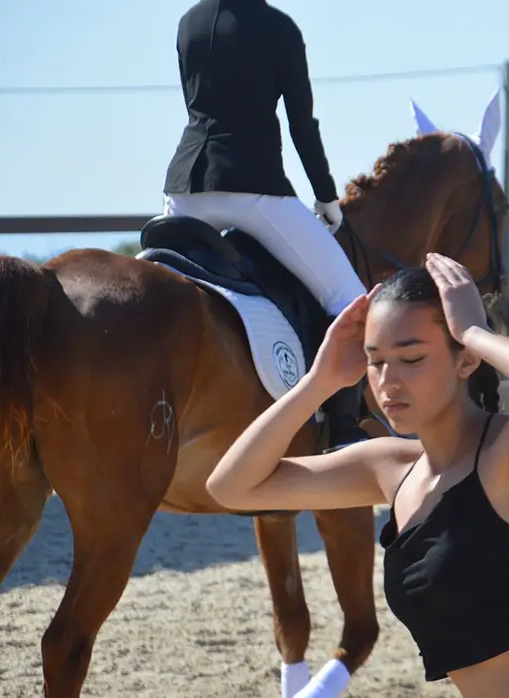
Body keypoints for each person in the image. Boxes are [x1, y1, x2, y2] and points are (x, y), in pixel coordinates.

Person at [206, 253, 509, 698]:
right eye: (376, 362)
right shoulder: (386, 468)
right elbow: (232, 486)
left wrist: (476, 331)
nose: (389, 381)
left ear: (465, 360)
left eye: (412, 358)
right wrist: (320, 381)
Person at [163, 0, 369, 448]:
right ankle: (343, 430)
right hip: (251, 189)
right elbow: (301, 124)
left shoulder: (188, 23)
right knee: (350, 299)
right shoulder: (279, 27)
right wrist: (325, 194)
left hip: (184, 187)